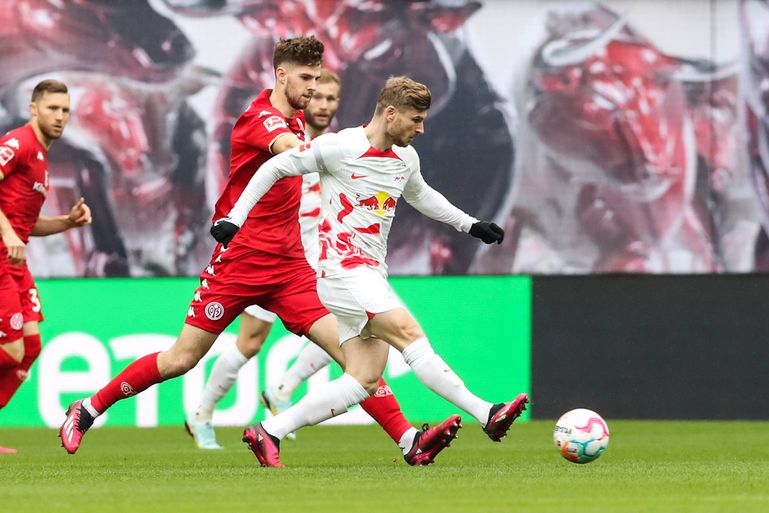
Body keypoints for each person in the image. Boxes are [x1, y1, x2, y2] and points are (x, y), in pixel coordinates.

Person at [59, 37, 462, 467]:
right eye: (305, 78)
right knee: (182, 358)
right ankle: (88, 408)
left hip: (291, 268)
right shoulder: (259, 119)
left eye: (317, 78)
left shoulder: (299, 118)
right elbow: (292, 155)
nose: (312, 87)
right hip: (239, 262)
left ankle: (408, 441)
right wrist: (347, 155)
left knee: (355, 358)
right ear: (281, 75)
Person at [211, 76, 529, 467]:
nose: (421, 128)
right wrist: (235, 217)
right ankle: (487, 412)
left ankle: (269, 431)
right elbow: (275, 167)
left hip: (370, 274)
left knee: (362, 379)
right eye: (416, 119)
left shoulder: (405, 159)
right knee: (410, 335)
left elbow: (422, 195)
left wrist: (470, 224)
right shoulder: (339, 147)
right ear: (390, 113)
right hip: (341, 273)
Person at [185, 68, 342, 448]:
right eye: (317, 95)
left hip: (316, 261)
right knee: (250, 343)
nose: (322, 103)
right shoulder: (289, 138)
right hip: (272, 254)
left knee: (353, 329)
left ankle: (282, 389)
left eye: (330, 98)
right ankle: (203, 411)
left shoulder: (339, 146)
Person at [0, 80, 92, 454]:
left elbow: (27, 225)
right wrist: (7, 235)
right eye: (52, 108)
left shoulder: (42, 158)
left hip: (13, 258)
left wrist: (67, 223)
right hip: (1, 254)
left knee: (32, 346)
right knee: (12, 350)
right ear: (33, 108)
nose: (60, 116)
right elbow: (13, 229)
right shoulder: (18, 143)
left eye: (65, 110)